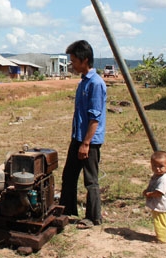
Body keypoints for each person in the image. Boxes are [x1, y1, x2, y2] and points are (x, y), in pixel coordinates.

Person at [59, 40, 106, 229]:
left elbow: (94, 118)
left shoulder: (96, 83)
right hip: (78, 138)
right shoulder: (83, 82)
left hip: (89, 141)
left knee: (90, 179)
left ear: (85, 60)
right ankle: (68, 210)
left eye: (74, 61)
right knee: (69, 176)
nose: (72, 65)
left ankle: (93, 217)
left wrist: (86, 143)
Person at [143, 150, 166, 243]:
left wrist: (150, 194)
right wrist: (147, 190)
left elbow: (159, 192)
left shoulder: (163, 179)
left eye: (161, 166)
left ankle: (162, 239)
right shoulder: (156, 176)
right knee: (158, 221)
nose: (157, 169)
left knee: (160, 222)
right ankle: (161, 236)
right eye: (154, 166)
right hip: (157, 205)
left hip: (161, 205)